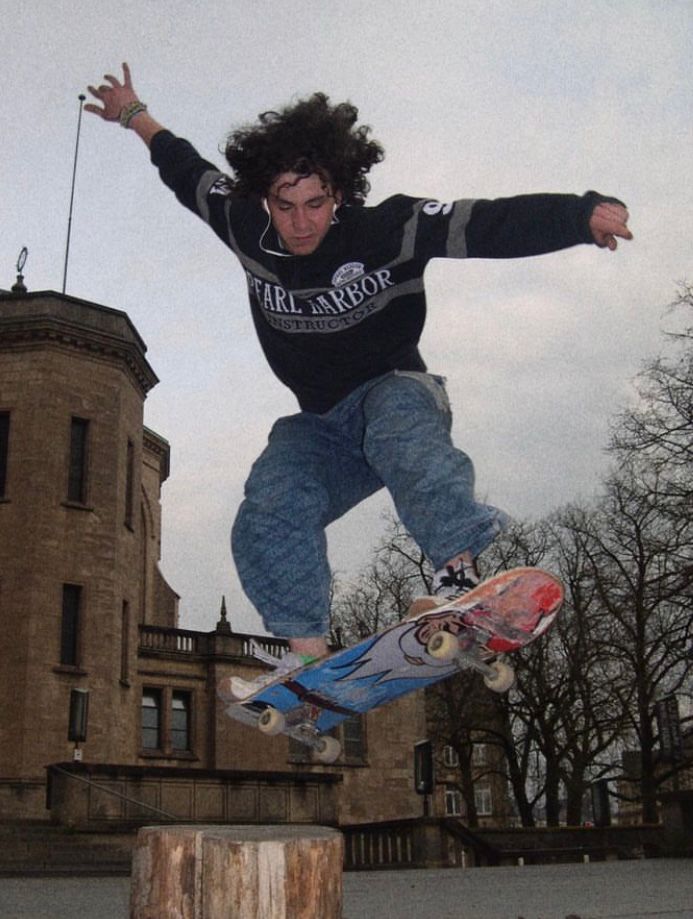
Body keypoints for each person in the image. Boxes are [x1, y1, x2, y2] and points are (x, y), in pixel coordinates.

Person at [86, 64, 632, 696]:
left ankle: (459, 581)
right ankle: (310, 659)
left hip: (396, 393)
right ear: (265, 199)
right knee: (269, 503)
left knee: (400, 427)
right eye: (284, 206)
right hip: (322, 427)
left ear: (340, 193)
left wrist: (579, 216)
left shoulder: (388, 229)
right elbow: (185, 170)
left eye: (316, 203)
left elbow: (485, 223)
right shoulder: (243, 225)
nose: (300, 224)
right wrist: (133, 113)